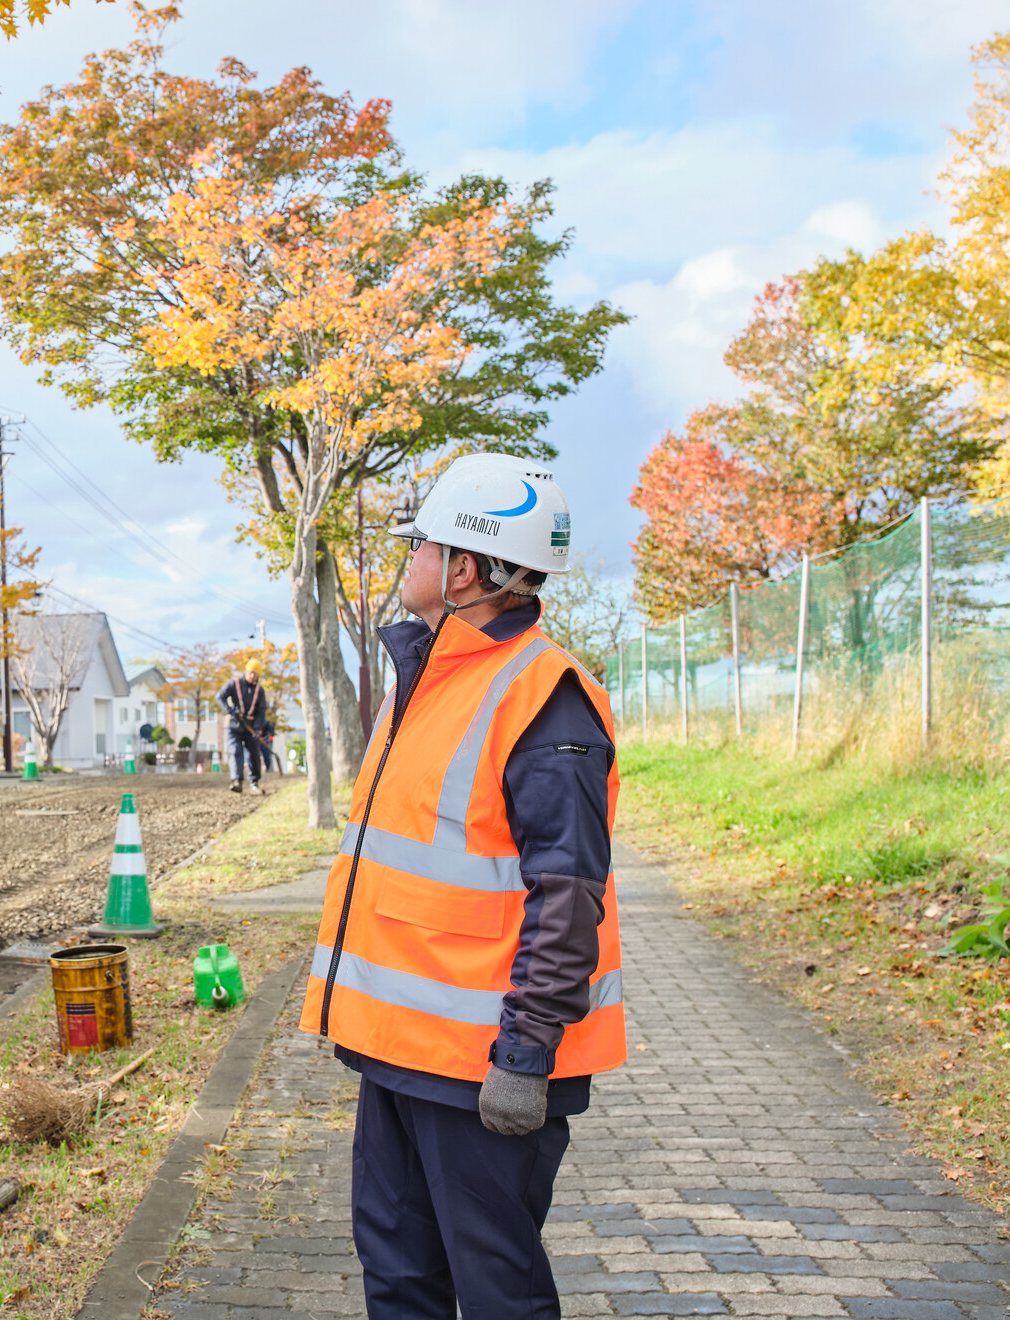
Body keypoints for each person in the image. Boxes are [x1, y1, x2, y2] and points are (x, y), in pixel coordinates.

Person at [298, 453, 626, 1320]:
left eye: (421, 545)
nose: (408, 560)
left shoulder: (544, 700)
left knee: (496, 1293)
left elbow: (569, 896)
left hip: (485, 1070)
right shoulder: (429, 683)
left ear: (465, 570)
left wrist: (525, 1058)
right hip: (401, 1058)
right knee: (400, 1280)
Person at [217, 660, 268, 794]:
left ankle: (254, 783)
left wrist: (257, 728)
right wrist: (231, 711)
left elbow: (261, 711)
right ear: (246, 672)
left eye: (256, 674)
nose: (253, 676)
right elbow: (220, 697)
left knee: (254, 753)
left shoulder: (259, 690)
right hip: (234, 725)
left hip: (250, 726)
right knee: (235, 750)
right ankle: (237, 781)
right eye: (251, 673)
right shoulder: (234, 684)